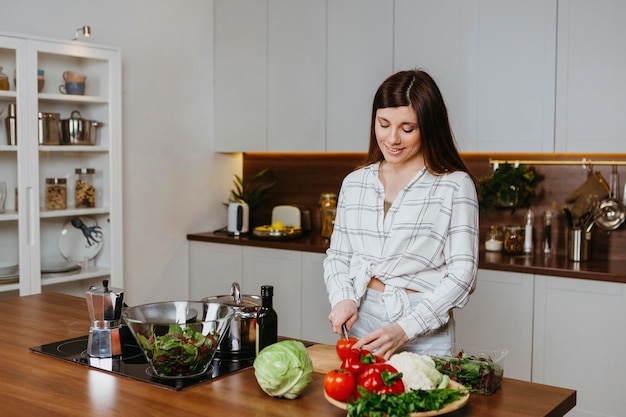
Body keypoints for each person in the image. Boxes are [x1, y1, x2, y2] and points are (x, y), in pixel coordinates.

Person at [323, 69, 479, 360]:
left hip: (421, 324)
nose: (392, 138)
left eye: (407, 129)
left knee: (424, 403)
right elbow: (339, 256)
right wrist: (342, 297)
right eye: (383, 124)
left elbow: (463, 275)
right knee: (362, 403)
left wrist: (405, 328)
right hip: (362, 318)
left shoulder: (454, 186)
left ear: (429, 127)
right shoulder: (355, 183)